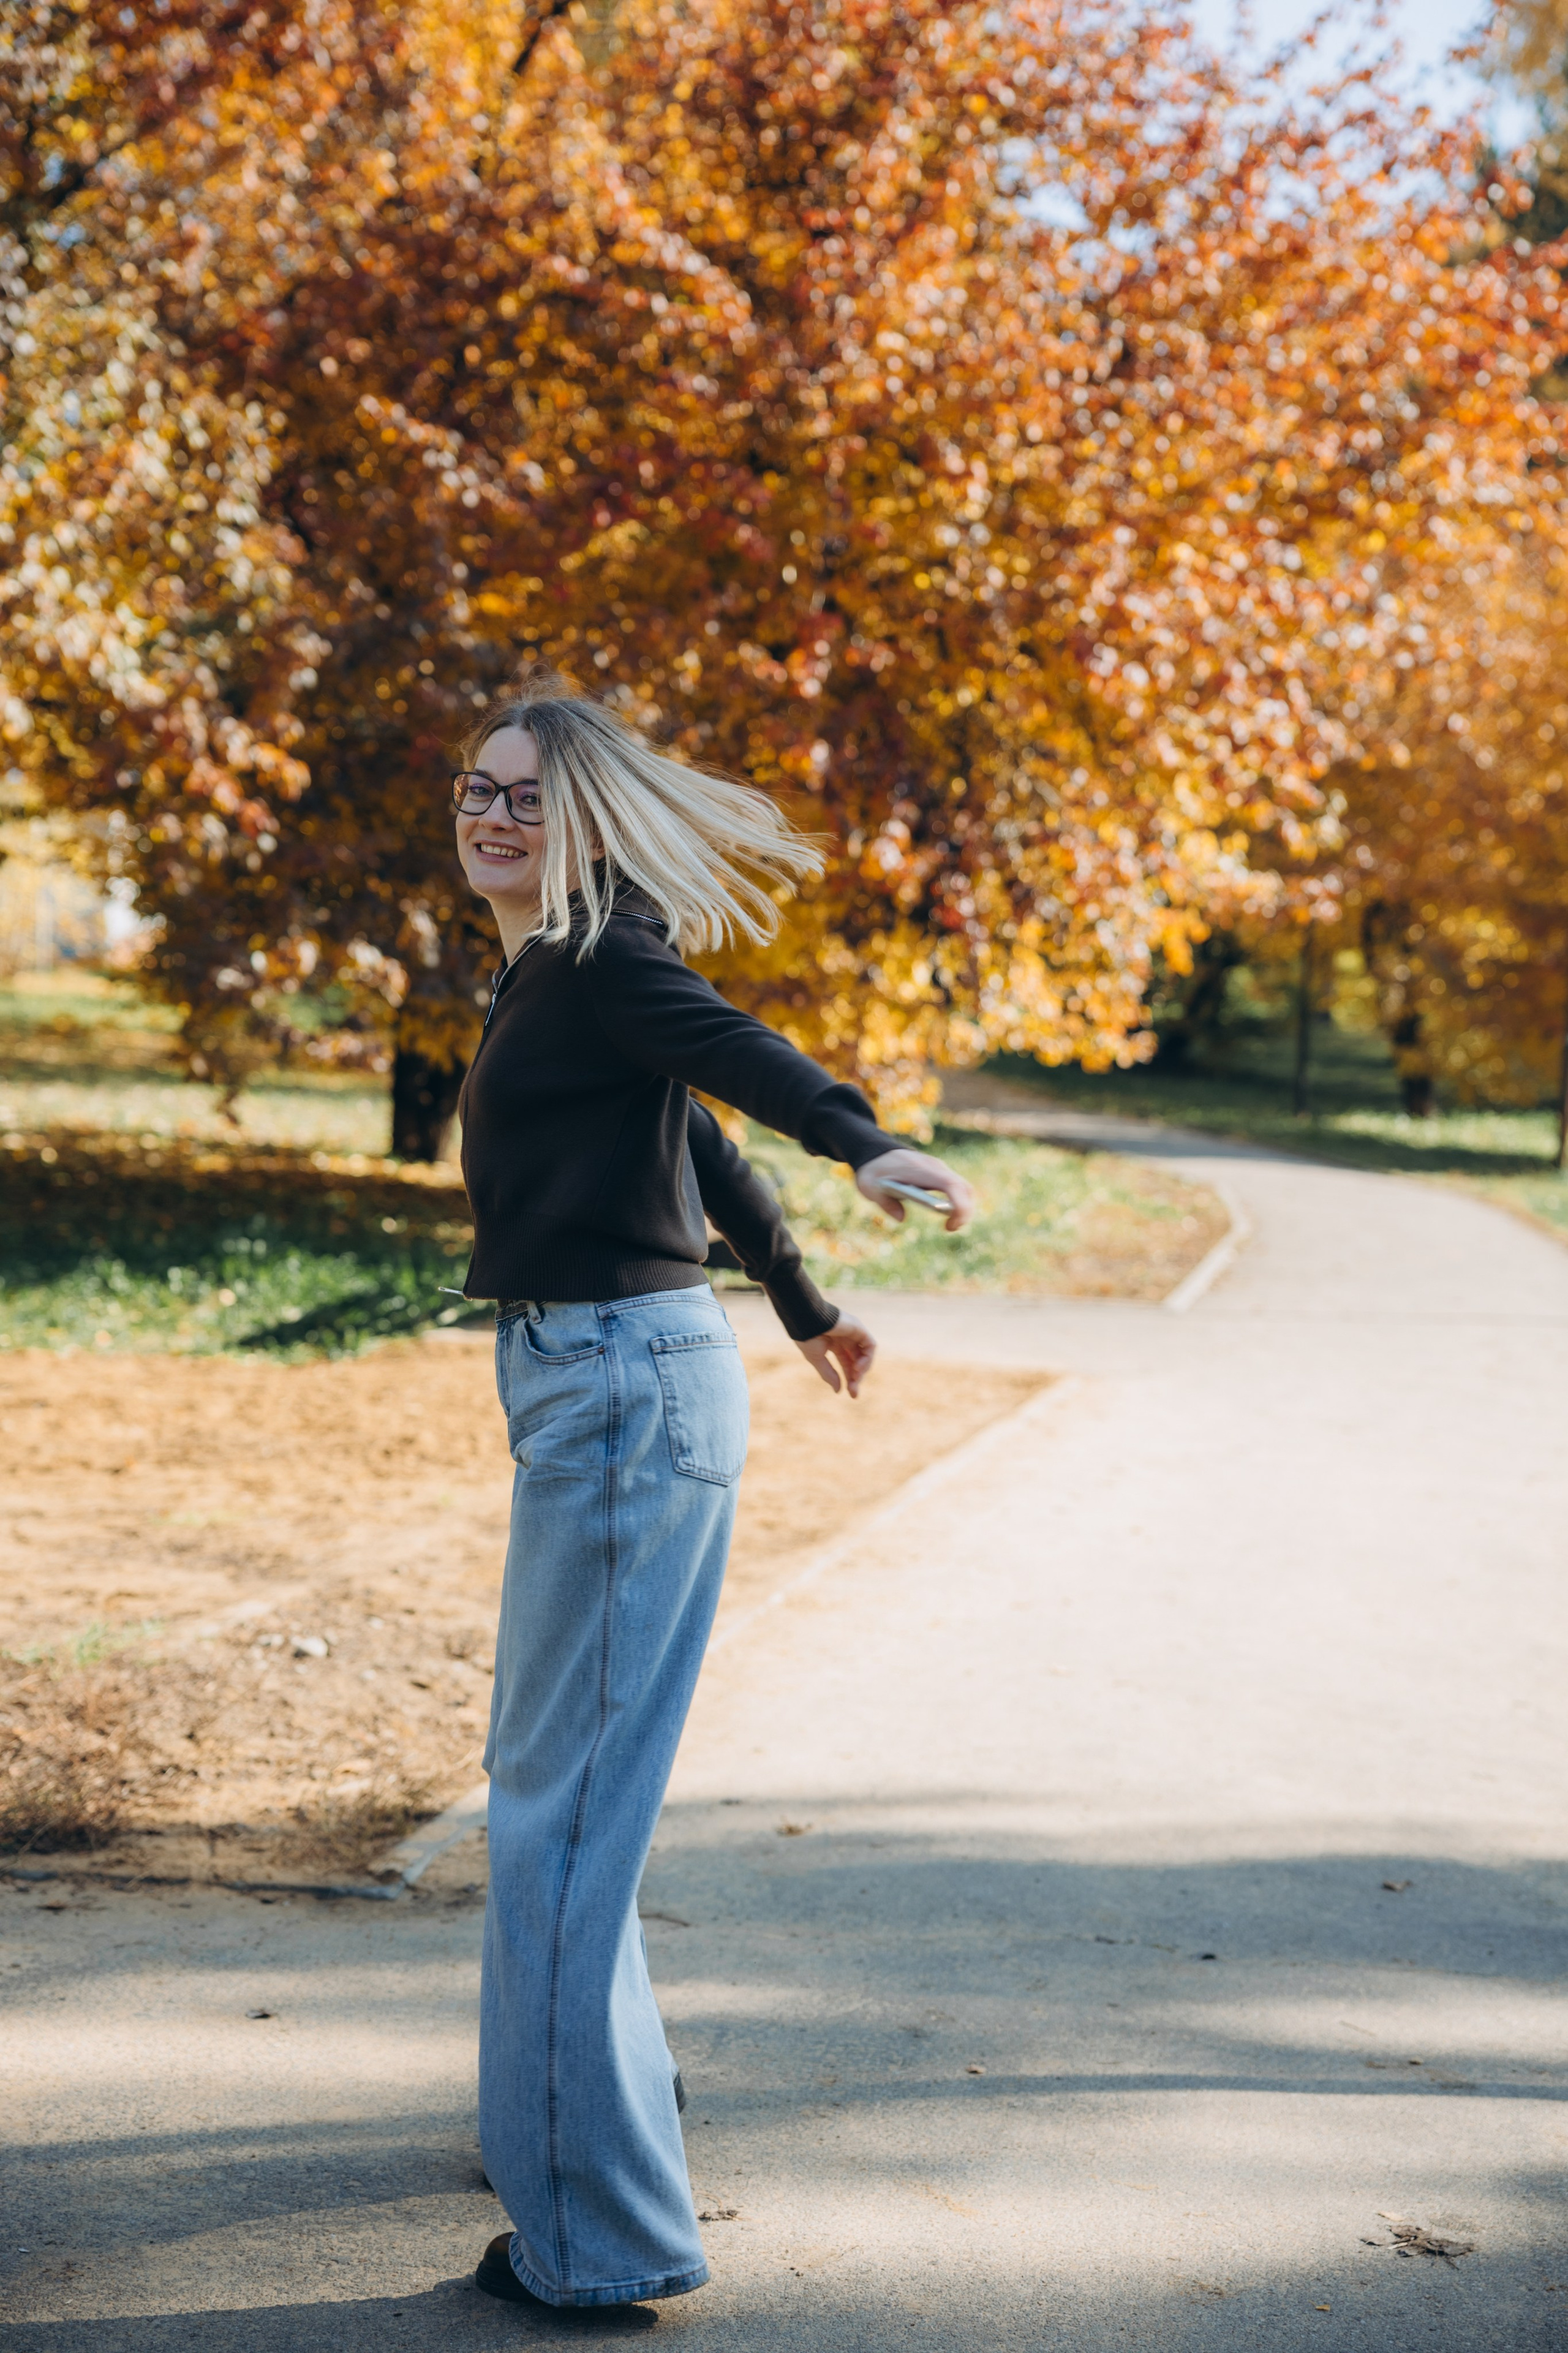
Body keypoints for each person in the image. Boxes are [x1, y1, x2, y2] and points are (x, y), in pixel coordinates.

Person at [450, 666, 974, 2313]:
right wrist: (808, 1304)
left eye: (525, 793)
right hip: (599, 1383)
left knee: (558, 1813)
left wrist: (860, 1135)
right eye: (476, 787)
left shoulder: (606, 957)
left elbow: (737, 1063)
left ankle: (600, 2234)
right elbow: (698, 1149)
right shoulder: (551, 969)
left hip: (618, 1385)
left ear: (583, 815)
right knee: (559, 1794)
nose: (490, 813)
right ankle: (594, 2119)